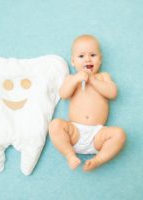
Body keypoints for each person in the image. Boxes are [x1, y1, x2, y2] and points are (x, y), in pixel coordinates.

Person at [49, 34, 126, 172]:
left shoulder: (102, 77)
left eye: (93, 55)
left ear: (100, 59)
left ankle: (98, 159)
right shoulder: (72, 78)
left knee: (119, 134)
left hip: (97, 135)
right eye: (81, 56)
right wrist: (76, 80)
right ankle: (70, 155)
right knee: (55, 125)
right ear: (73, 61)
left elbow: (112, 93)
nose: (87, 59)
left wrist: (92, 80)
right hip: (75, 132)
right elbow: (63, 94)